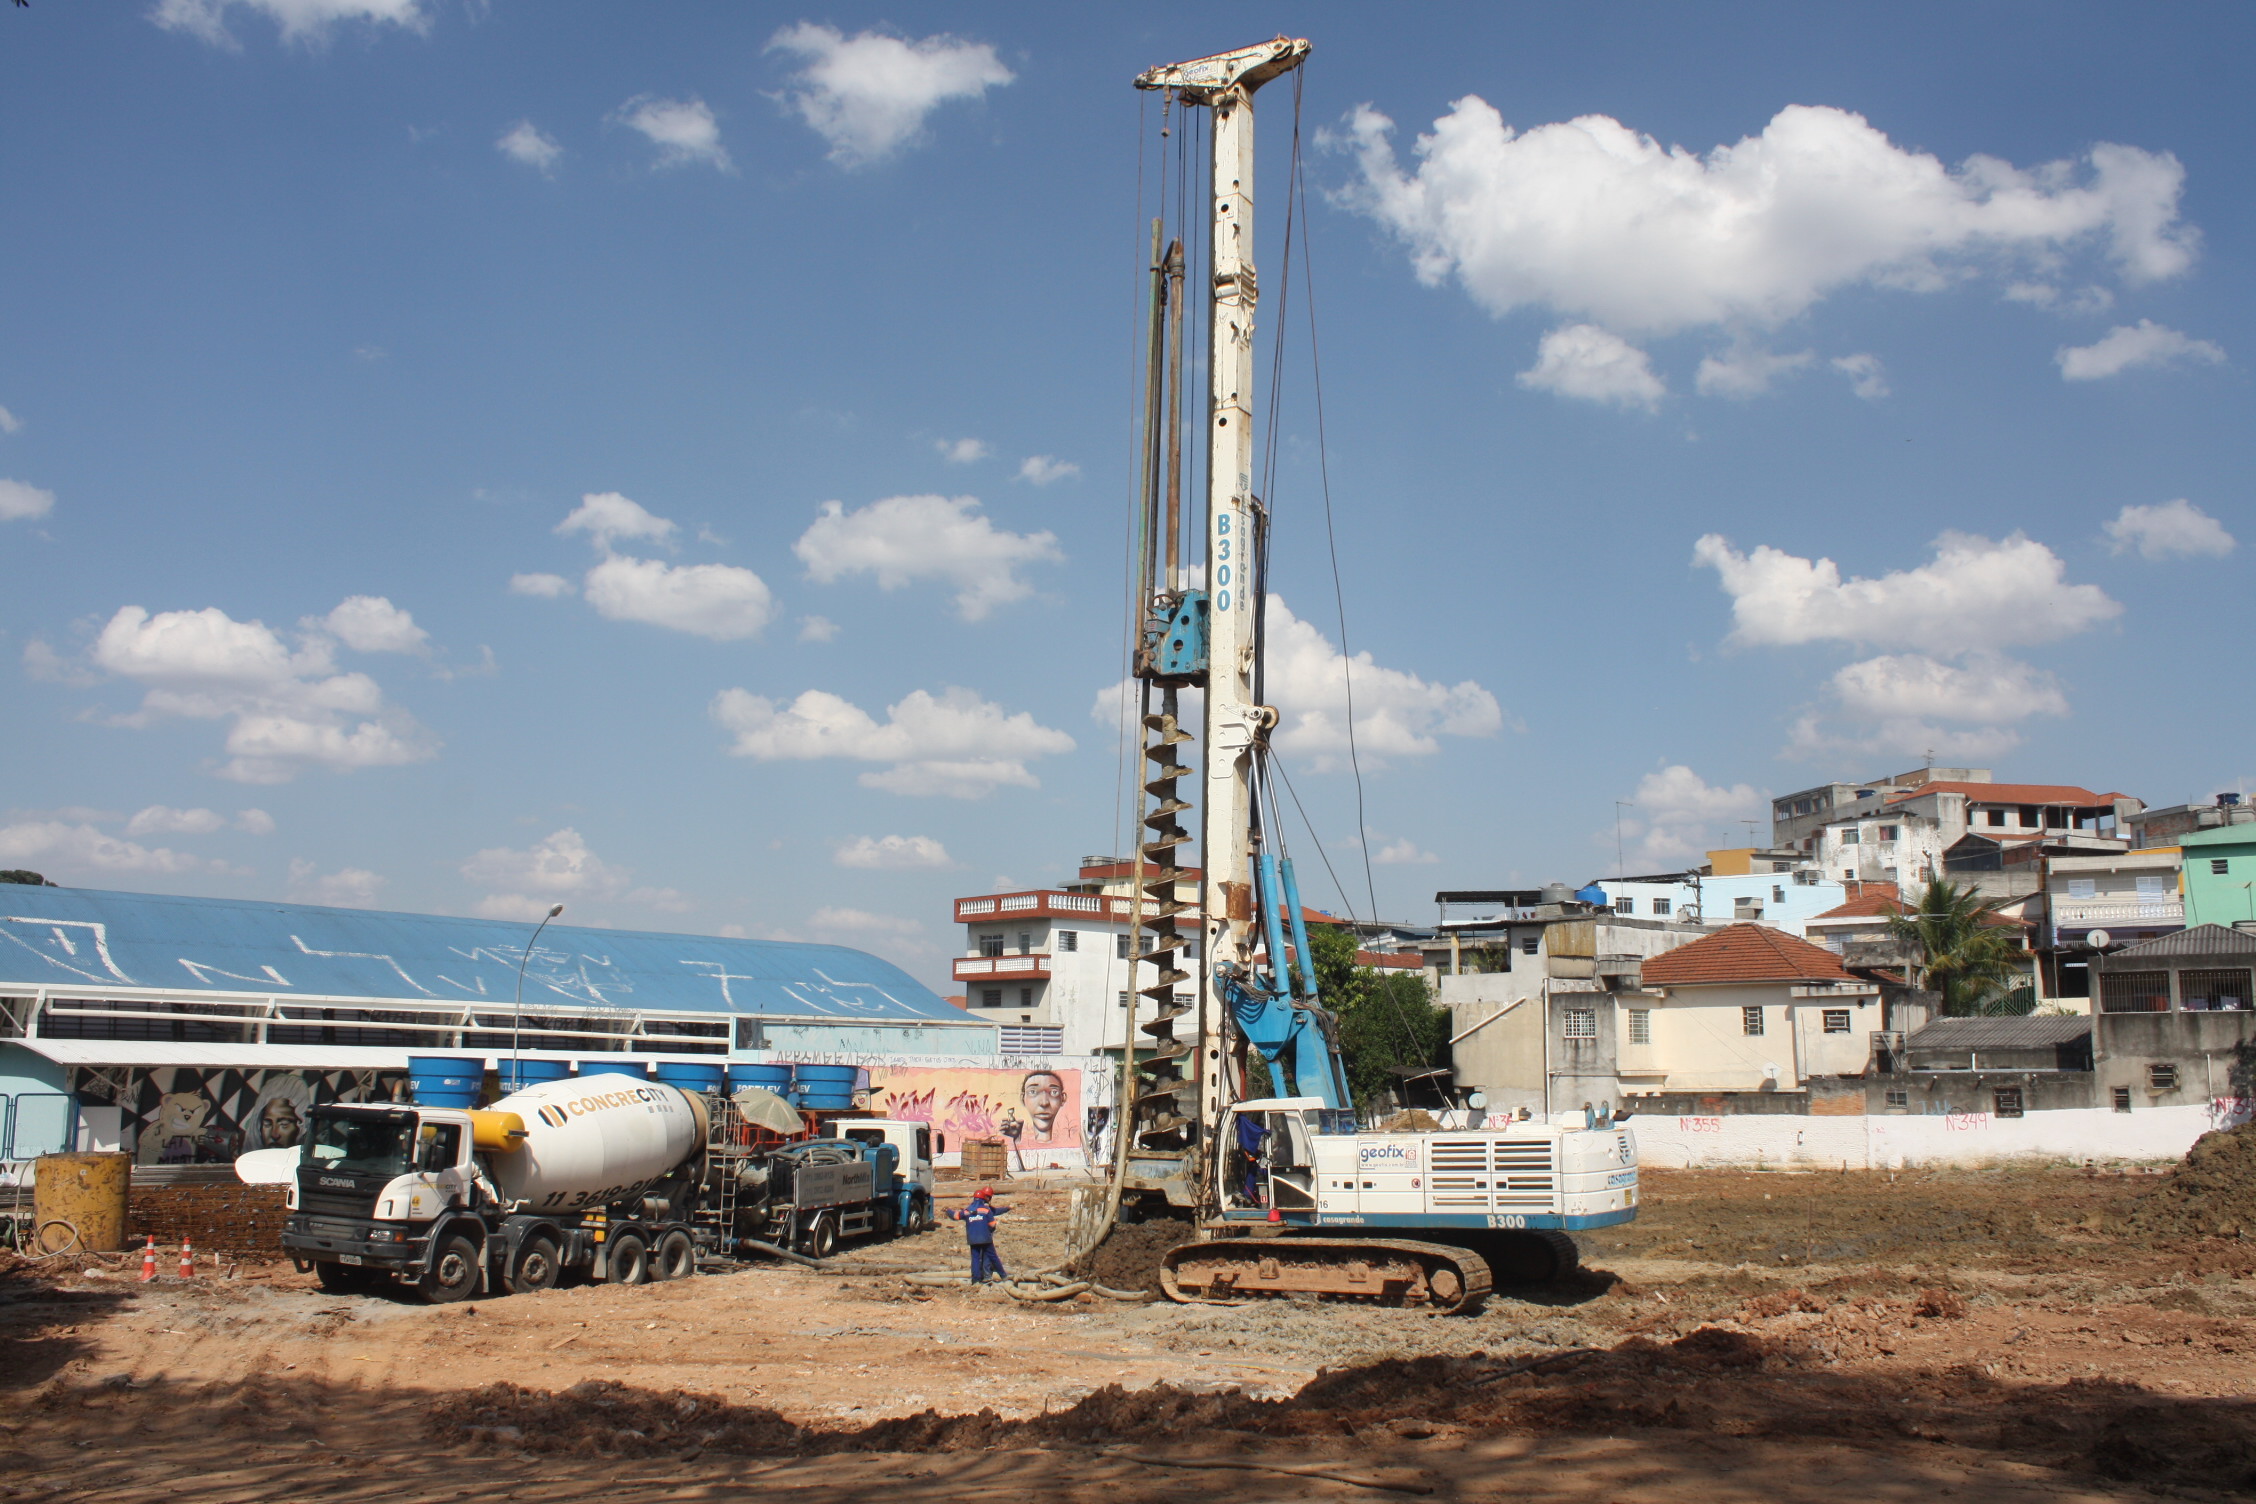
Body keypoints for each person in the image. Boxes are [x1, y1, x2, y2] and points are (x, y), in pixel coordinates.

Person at [949, 1186, 1009, 1283]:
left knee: (975, 1259)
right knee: (993, 1257)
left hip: (973, 1239)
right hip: (985, 1238)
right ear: (984, 1198)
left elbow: (956, 1216)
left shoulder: (968, 1210)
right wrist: (988, 1231)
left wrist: (948, 1211)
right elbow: (993, 1224)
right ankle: (1003, 1276)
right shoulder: (986, 1210)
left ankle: (976, 1280)